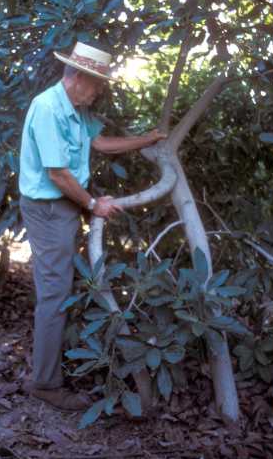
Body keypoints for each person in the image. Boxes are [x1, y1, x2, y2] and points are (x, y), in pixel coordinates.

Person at [19, 41, 165, 412]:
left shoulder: (77, 109)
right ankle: (45, 384)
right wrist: (92, 204)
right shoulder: (48, 108)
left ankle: (52, 366)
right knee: (54, 294)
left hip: (66, 206)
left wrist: (146, 140)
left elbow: (100, 143)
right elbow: (56, 173)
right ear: (78, 77)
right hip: (50, 209)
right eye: (97, 83)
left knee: (64, 287)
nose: (100, 90)